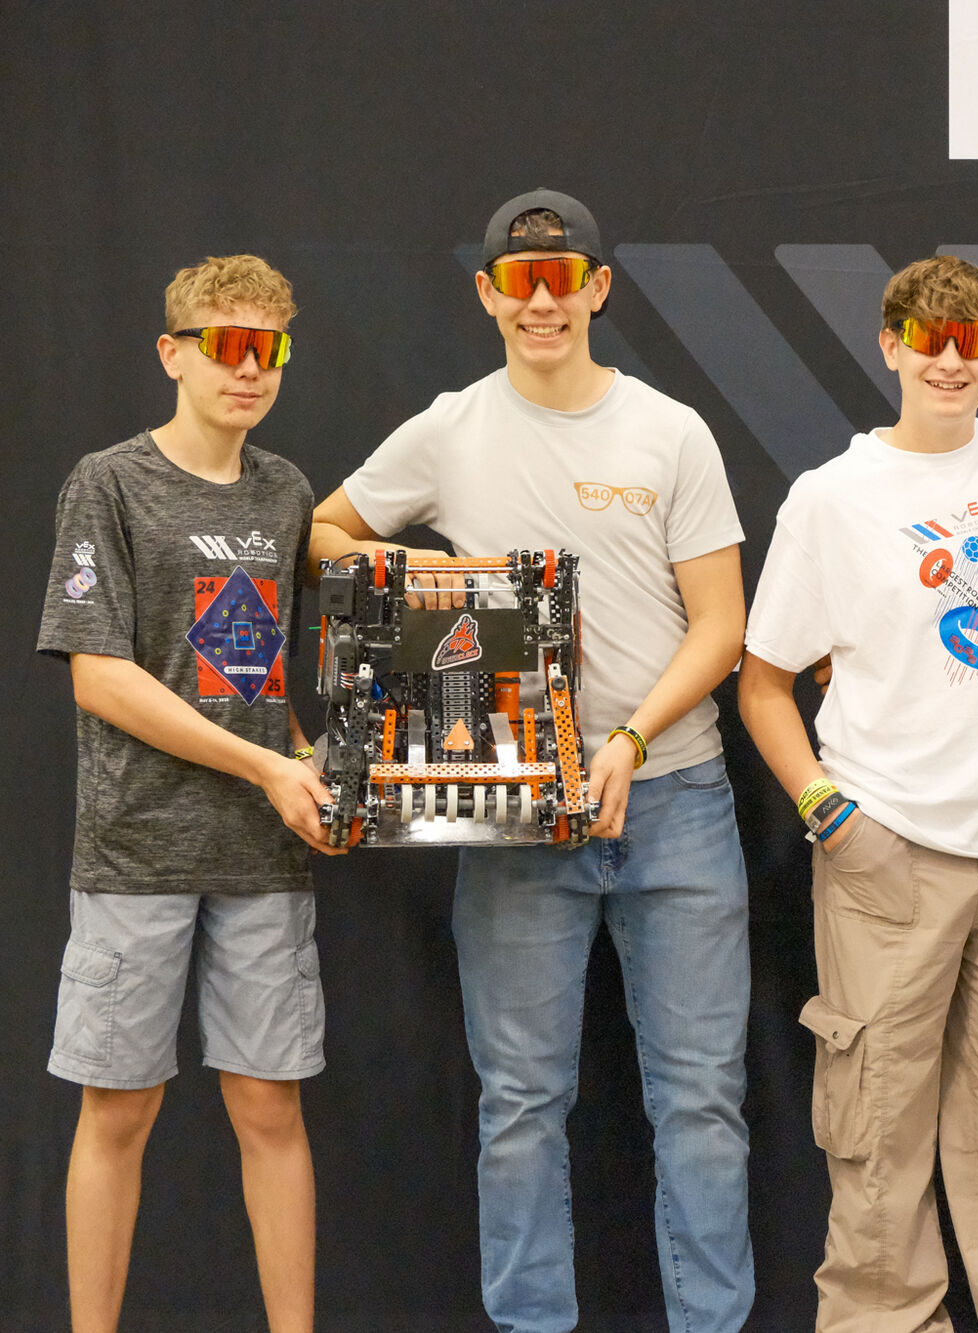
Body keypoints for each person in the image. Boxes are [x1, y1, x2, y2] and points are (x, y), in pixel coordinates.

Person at [309, 190, 754, 1333]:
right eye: (520, 281)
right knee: (518, 1105)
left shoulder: (670, 430)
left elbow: (721, 626)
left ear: (599, 288)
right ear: (488, 294)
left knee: (701, 1103)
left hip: (674, 795)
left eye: (562, 279)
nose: (541, 300)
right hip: (513, 807)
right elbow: (322, 534)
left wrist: (629, 739)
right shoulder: (449, 428)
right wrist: (444, 587)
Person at [737, 254, 978, 1333]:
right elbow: (762, 683)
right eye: (928, 340)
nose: (950, 362)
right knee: (874, 1137)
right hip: (885, 853)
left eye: (971, 344)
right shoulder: (831, 498)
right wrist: (830, 814)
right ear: (890, 345)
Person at [40, 254, 333, 1333]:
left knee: (271, 1108)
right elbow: (101, 677)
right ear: (174, 354)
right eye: (228, 346)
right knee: (119, 1111)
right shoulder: (108, 482)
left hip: (262, 855)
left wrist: (306, 763)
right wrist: (266, 766)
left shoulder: (285, 492)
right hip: (136, 851)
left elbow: (258, 677)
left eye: (271, 349)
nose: (250, 370)